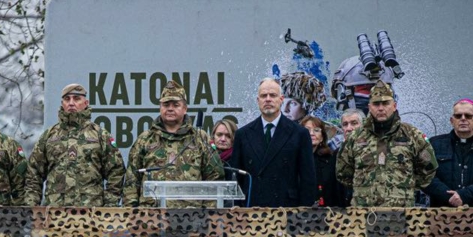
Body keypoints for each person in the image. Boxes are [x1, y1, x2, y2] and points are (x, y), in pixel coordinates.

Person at [336, 81, 438, 208]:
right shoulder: (356, 138)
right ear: (369, 107)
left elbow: (428, 168)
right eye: (376, 104)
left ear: (394, 106)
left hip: (401, 212)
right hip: (363, 212)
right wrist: (366, 188)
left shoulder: (412, 135)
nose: (380, 108)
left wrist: (404, 187)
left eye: (385, 103)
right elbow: (343, 173)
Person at [123, 80, 224, 207]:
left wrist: (208, 216)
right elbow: (132, 181)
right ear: (160, 107)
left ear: (185, 108)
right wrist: (133, 216)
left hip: (191, 217)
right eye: (166, 104)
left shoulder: (200, 138)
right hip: (151, 219)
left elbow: (214, 178)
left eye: (176, 105)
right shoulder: (145, 139)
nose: (170, 108)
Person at [25, 83, 126, 207]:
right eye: (67, 99)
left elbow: (116, 171)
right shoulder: (49, 136)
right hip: (55, 214)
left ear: (86, 103)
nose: (71, 103)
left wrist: (108, 207)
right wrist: (31, 209)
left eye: (77, 98)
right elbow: (33, 174)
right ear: (62, 104)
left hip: (91, 214)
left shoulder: (100, 135)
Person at [229, 78, 316, 207]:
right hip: (252, 210)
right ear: (258, 101)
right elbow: (236, 179)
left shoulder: (299, 134)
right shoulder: (243, 134)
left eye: (273, 95)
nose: (268, 99)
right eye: (264, 96)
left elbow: (308, 179)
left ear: (281, 99)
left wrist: (303, 214)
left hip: (287, 210)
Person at [300, 115, 343, 207]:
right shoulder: (293, 159)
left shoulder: (331, 159)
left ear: (322, 137)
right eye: (307, 130)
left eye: (316, 130)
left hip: (327, 212)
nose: (311, 133)